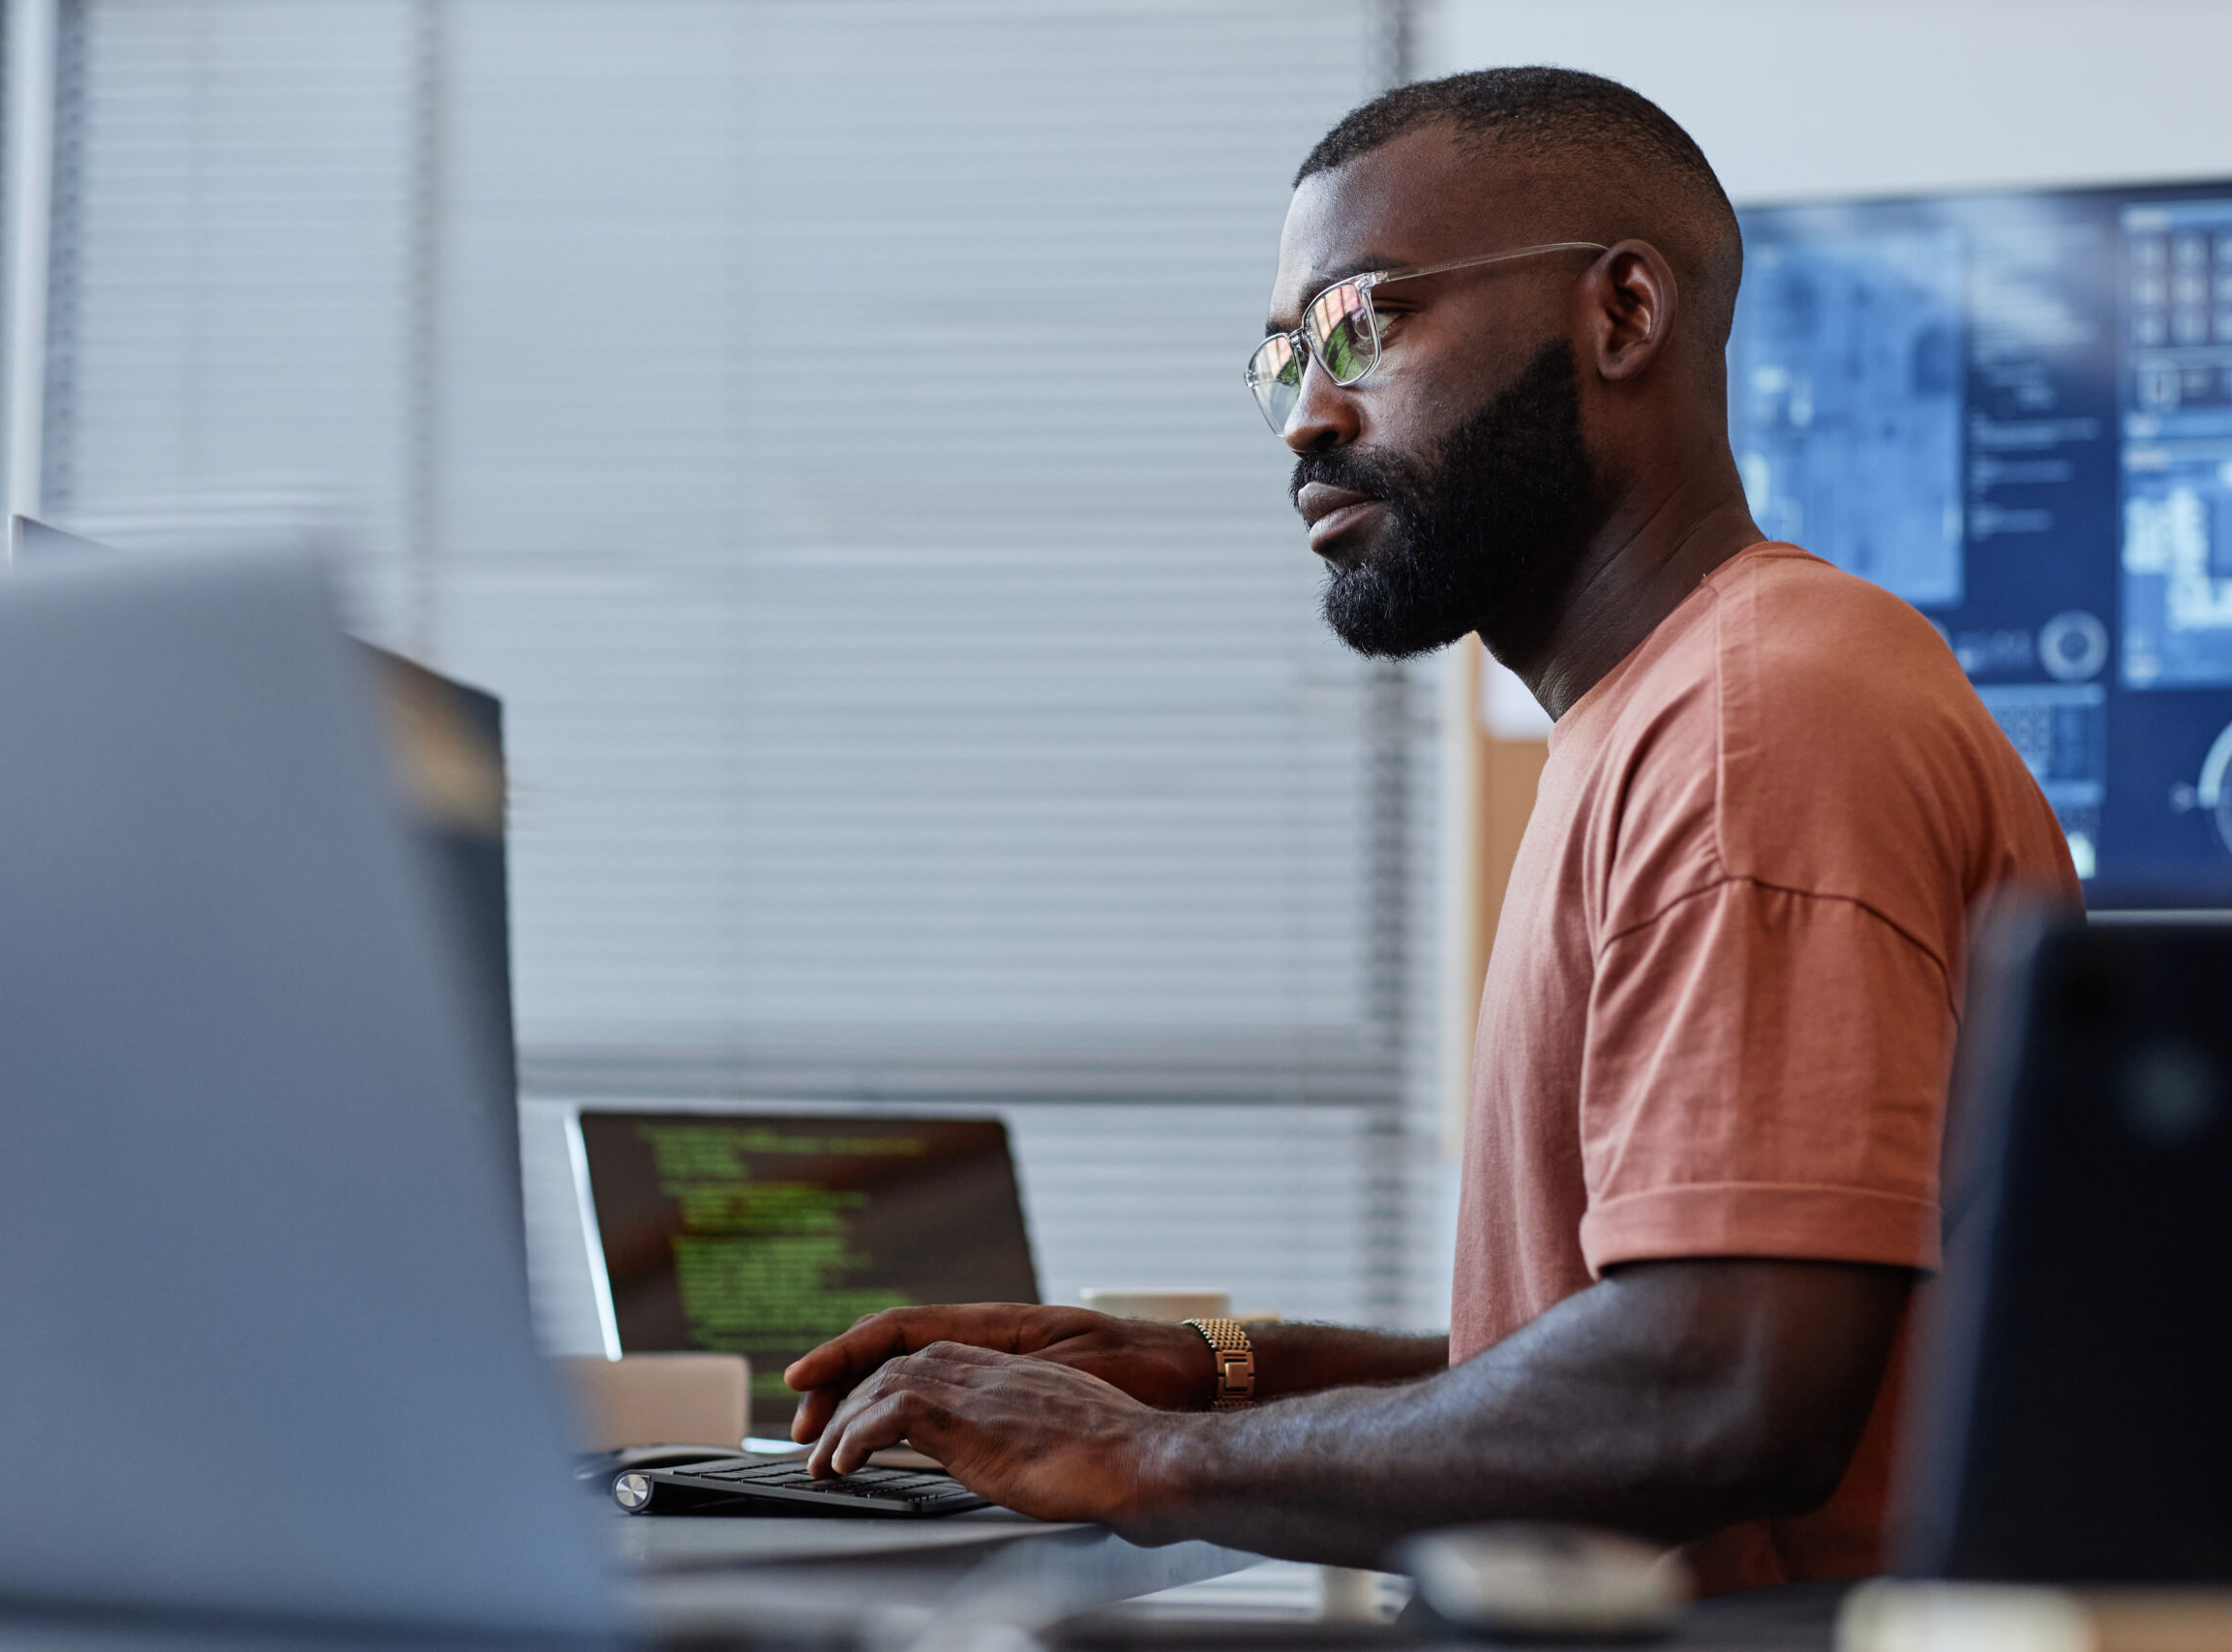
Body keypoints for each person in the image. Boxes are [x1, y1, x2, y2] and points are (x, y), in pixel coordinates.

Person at [782, 67, 2078, 1592]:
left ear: (1623, 316)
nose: (1307, 420)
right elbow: (1602, 1349)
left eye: (1363, 326)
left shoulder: (1753, 729)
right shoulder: (1675, 711)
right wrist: (1209, 1371)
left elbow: (1716, 1392)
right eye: (1282, 363)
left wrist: (1139, 1460)